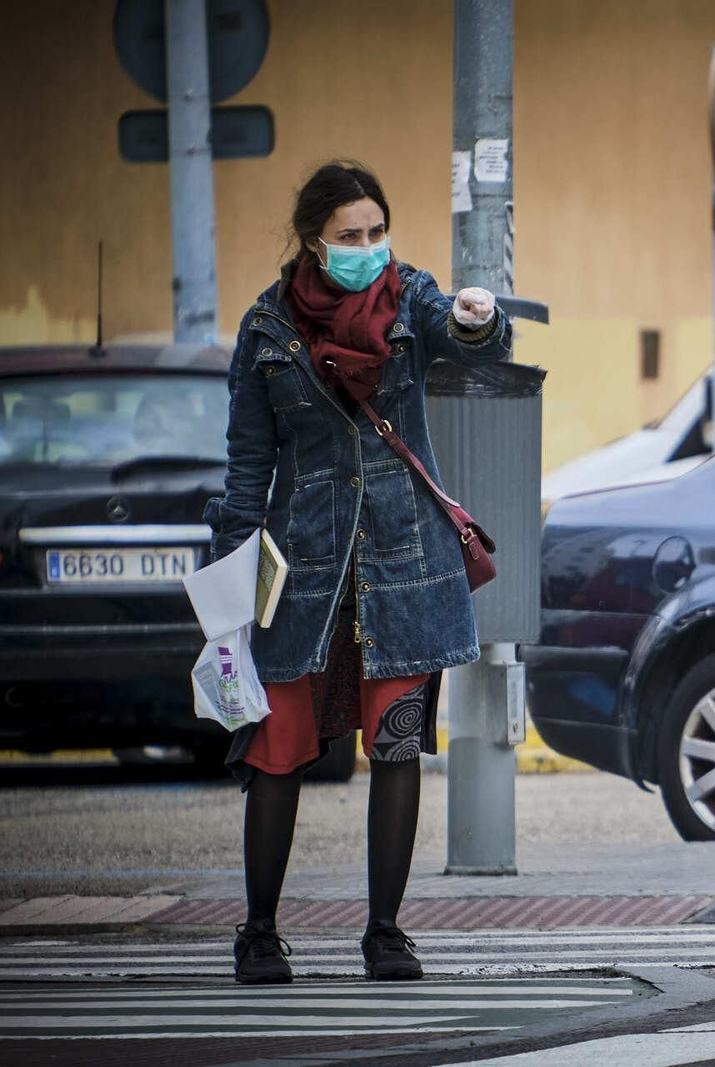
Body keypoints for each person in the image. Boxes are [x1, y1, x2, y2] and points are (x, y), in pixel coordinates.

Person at [205, 161, 513, 984]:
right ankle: (259, 931)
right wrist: (228, 588)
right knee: (276, 747)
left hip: (403, 564)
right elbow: (247, 469)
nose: (368, 247)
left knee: (398, 743)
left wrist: (479, 320)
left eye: (377, 231)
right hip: (301, 571)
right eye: (350, 235)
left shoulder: (412, 298)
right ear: (315, 240)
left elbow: (473, 341)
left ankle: (385, 932)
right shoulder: (267, 329)